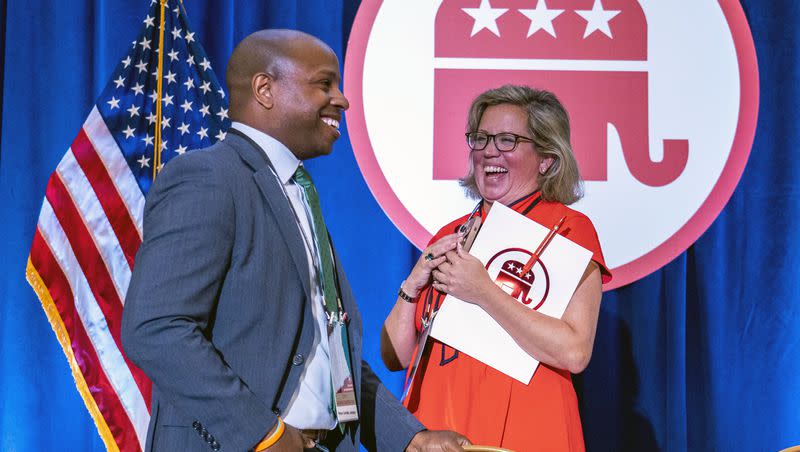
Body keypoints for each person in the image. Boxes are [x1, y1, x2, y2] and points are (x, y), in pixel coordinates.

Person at [122, 29, 469, 452]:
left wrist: (411, 439)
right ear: (264, 89)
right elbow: (156, 328)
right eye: (324, 84)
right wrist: (263, 435)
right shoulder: (209, 178)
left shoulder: (299, 192)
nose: (341, 99)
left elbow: (330, 350)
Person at [381, 85, 613, 451]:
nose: (488, 150)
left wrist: (483, 292)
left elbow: (574, 351)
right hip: (439, 429)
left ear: (546, 159)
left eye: (507, 140)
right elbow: (397, 357)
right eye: (481, 138)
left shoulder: (567, 228)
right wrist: (411, 285)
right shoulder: (449, 234)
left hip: (527, 427)